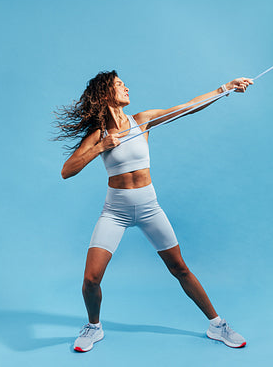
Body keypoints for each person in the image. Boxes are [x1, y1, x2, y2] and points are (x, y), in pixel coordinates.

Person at [55, 70, 253, 352]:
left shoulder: (142, 121)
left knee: (179, 268)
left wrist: (225, 88)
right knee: (90, 279)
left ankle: (217, 324)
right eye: (119, 85)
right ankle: (94, 327)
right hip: (116, 211)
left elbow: (187, 107)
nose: (126, 88)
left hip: (149, 207)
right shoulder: (99, 134)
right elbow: (67, 171)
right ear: (105, 94)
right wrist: (100, 146)